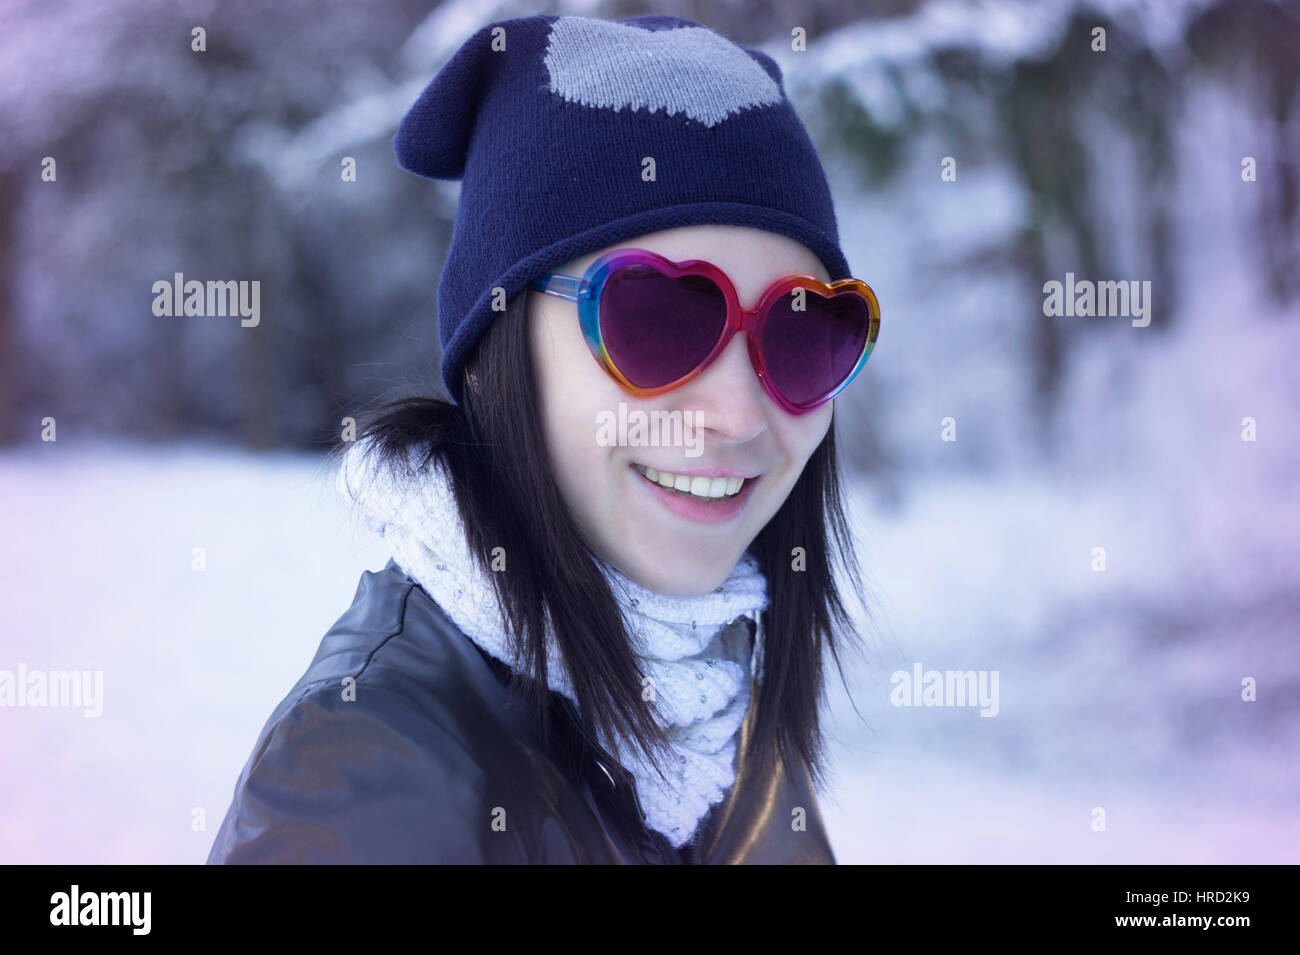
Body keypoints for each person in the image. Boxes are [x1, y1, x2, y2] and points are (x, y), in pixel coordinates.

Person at [207, 11, 880, 864]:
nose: (739, 415)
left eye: (800, 331)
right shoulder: (361, 780)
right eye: (661, 321)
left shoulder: (713, 701)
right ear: (501, 350)